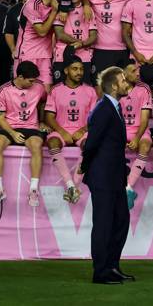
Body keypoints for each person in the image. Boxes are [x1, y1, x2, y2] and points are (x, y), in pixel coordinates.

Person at [79, 66, 134, 285]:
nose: (126, 82)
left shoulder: (114, 108)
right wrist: (85, 165)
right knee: (103, 224)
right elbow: (92, 142)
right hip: (102, 176)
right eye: (122, 80)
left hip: (114, 176)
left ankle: (112, 266)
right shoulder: (103, 109)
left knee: (121, 220)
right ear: (113, 86)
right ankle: (100, 271)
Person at [0, 61, 48, 207]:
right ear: (20, 77)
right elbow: (0, 117)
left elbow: (45, 103)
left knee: (36, 145)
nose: (33, 83)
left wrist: (42, 121)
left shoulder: (39, 87)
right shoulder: (4, 89)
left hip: (31, 127)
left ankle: (33, 189)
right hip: (10, 126)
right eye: (30, 80)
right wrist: (12, 133)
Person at [45, 54, 97, 204]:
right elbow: (49, 117)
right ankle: (69, 185)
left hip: (83, 131)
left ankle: (74, 185)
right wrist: (62, 132)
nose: (79, 72)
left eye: (81, 69)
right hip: (62, 130)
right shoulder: (55, 90)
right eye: (75, 69)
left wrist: (82, 130)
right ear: (66, 70)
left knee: (89, 146)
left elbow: (95, 118)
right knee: (53, 142)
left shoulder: (90, 91)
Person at [15, 0, 68, 88]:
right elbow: (42, 32)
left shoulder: (58, 3)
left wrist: (87, 5)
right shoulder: (32, 4)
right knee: (27, 91)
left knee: (46, 92)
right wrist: (54, 11)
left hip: (45, 54)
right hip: (28, 54)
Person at [86, 0, 136, 84]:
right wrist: (85, 4)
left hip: (121, 50)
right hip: (100, 50)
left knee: (121, 86)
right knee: (99, 85)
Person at [120, 61, 153, 210]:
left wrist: (136, 138)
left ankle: (128, 186)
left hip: (138, 130)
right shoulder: (115, 88)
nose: (138, 74)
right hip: (120, 129)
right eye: (133, 71)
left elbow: (145, 119)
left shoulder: (144, 89)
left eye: (137, 70)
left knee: (145, 146)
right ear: (123, 73)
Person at [52, 0, 97, 85]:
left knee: (84, 91)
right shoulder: (61, 8)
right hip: (62, 55)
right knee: (60, 91)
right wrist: (79, 43)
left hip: (84, 57)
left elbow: (94, 35)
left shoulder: (89, 10)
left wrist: (81, 44)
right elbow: (60, 34)